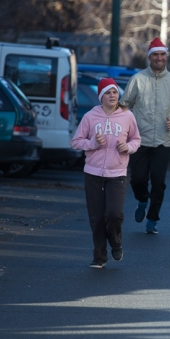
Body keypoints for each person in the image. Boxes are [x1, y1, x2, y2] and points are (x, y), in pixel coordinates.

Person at [120, 37, 170, 234]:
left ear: (166, 57)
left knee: (158, 182)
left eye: (162, 54)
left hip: (163, 140)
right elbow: (124, 107)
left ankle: (152, 219)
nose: (159, 58)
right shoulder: (137, 80)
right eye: (155, 55)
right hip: (139, 140)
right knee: (138, 180)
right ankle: (142, 200)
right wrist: (126, 129)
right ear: (149, 58)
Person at [71, 78, 141, 268]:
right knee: (96, 216)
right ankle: (99, 256)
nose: (112, 96)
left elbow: (136, 139)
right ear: (101, 96)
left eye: (115, 92)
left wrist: (128, 147)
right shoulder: (90, 117)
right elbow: (76, 141)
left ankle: (116, 243)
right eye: (108, 93)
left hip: (117, 172)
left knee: (114, 213)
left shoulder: (127, 116)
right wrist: (92, 143)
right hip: (93, 172)